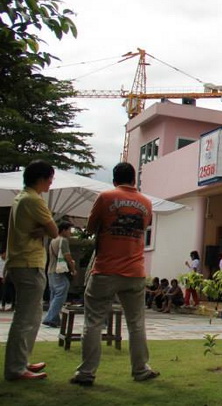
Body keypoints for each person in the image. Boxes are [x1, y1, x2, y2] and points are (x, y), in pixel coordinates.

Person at [71, 162, 158, 386]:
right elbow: (142, 227)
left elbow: (90, 228)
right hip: (135, 271)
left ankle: (86, 373)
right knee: (136, 323)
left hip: (105, 270)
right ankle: (141, 369)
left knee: (93, 322)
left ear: (114, 180)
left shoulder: (105, 197)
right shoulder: (147, 203)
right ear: (134, 180)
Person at [3, 160, 58, 381]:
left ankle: (22, 362)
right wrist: (45, 229)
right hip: (28, 263)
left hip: (21, 262)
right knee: (25, 318)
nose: (51, 183)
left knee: (32, 317)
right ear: (42, 178)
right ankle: (16, 368)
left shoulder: (21, 197)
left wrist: (42, 230)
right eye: (50, 179)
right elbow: (54, 230)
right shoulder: (34, 200)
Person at [43, 221, 77, 328]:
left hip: (51, 270)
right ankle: (50, 318)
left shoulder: (53, 240)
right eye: (69, 230)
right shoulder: (63, 241)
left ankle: (55, 320)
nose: (70, 233)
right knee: (61, 293)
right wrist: (73, 269)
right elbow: (67, 256)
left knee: (54, 295)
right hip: (59, 271)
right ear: (64, 230)